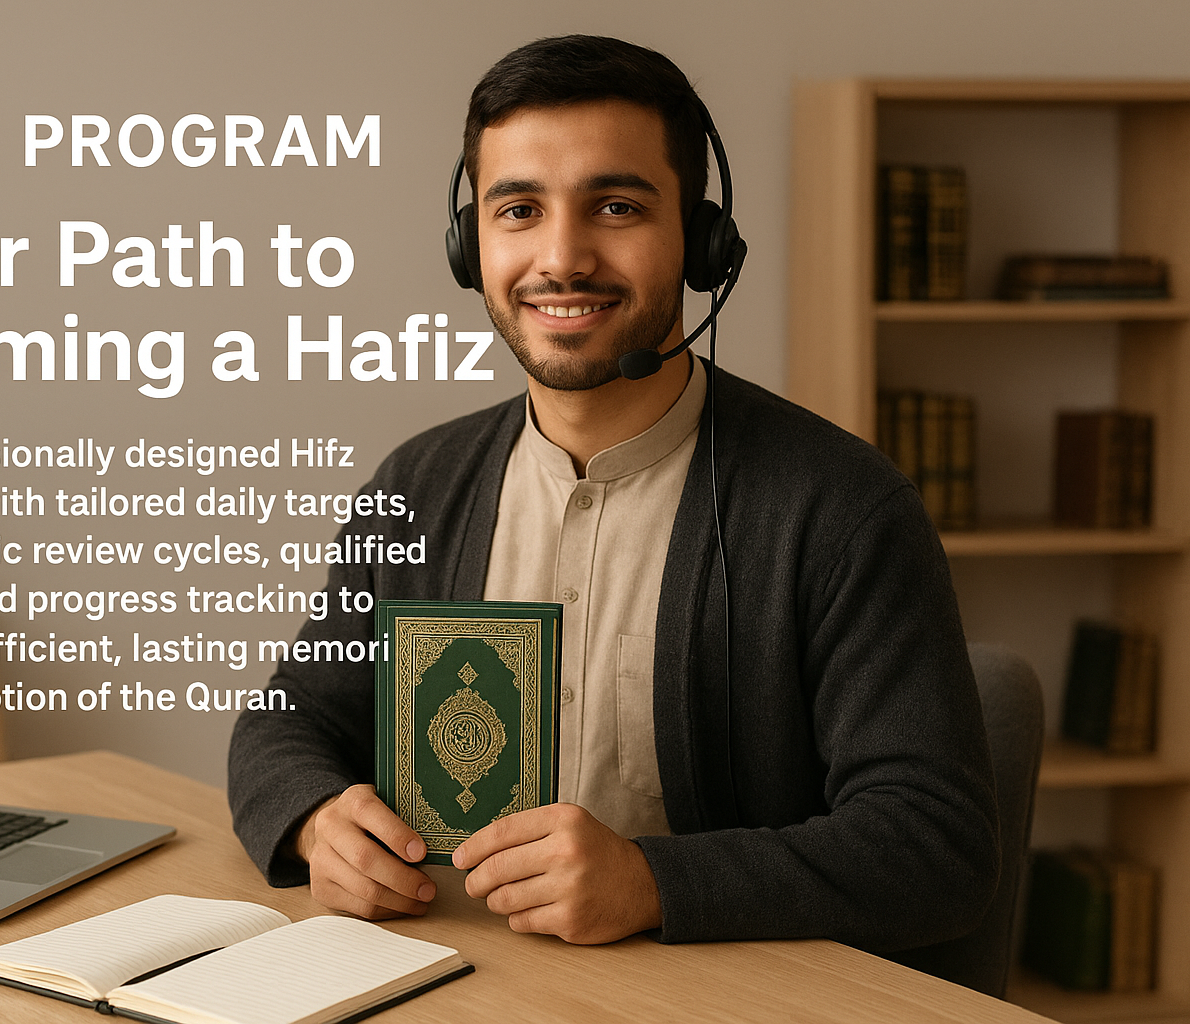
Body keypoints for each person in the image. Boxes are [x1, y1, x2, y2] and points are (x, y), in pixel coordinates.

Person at [228, 34, 999, 981]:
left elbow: (935, 846)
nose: (563, 257)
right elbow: (288, 720)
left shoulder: (841, 507)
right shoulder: (418, 487)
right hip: (454, 986)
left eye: (618, 206)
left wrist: (654, 880)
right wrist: (314, 818)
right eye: (519, 209)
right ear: (472, 247)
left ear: (702, 241)